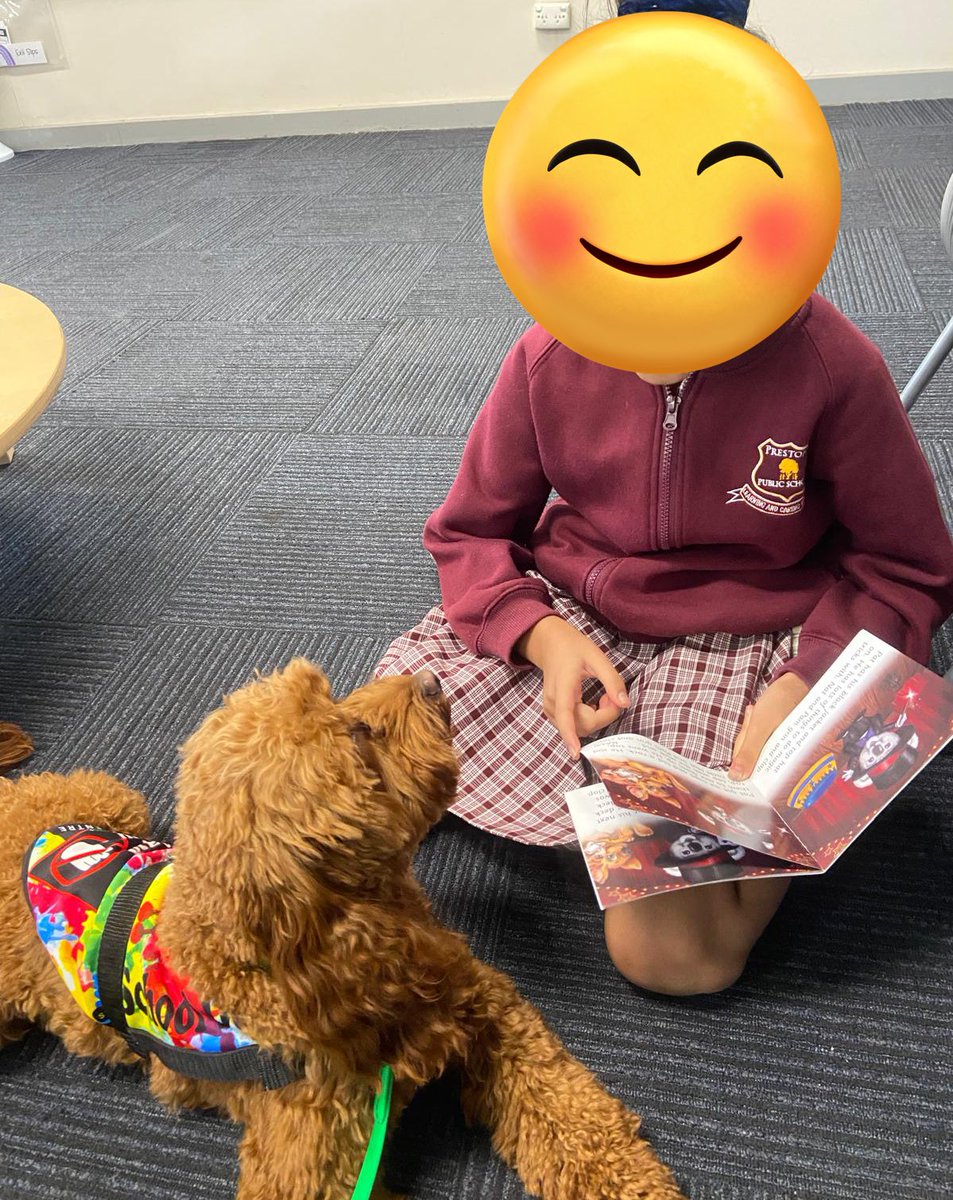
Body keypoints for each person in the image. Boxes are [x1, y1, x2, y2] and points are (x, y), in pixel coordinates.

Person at [375, 13, 953, 998]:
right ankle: (642, 827)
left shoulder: (827, 361)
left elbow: (907, 566)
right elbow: (468, 532)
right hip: (582, 624)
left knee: (674, 959)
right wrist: (540, 639)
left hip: (755, 643)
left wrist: (802, 686)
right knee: (368, 754)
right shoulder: (548, 352)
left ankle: (724, 837)